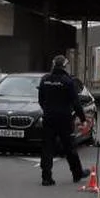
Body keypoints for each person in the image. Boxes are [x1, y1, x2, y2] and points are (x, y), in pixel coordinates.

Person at [37, 54, 90, 186]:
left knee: (47, 147)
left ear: (53, 65)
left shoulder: (45, 80)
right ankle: (77, 173)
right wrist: (83, 119)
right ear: (65, 66)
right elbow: (76, 103)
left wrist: (48, 110)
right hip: (65, 119)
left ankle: (46, 177)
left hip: (48, 118)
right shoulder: (68, 81)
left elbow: (41, 100)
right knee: (69, 147)